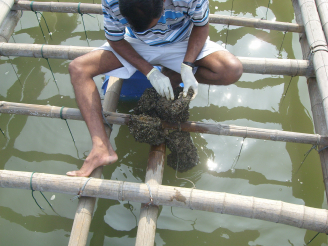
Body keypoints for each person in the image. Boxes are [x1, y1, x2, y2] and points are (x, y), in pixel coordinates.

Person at [66, 0, 243, 177]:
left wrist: (187, 66)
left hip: (183, 41)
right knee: (78, 69)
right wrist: (149, 71)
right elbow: (115, 39)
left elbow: (202, 26)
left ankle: (173, 76)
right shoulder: (111, 2)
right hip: (136, 44)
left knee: (231, 70)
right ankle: (101, 148)